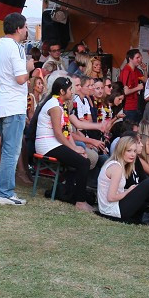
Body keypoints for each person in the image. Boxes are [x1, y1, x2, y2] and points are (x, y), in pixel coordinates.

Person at [0, 12, 35, 205]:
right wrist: (30, 67)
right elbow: (20, 78)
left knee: (8, 149)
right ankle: (5, 193)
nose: (26, 31)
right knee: (11, 150)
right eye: (25, 27)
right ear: (18, 28)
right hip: (12, 104)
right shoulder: (16, 47)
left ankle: (4, 191)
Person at [34, 77, 95, 212]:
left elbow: (65, 132)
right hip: (47, 145)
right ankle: (80, 201)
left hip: (53, 143)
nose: (72, 92)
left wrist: (76, 148)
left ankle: (69, 192)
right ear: (62, 91)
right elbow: (58, 133)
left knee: (83, 158)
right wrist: (73, 148)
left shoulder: (59, 104)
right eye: (70, 89)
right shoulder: (54, 106)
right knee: (83, 163)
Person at [118, 48, 145, 122]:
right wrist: (137, 88)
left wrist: (145, 70)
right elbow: (125, 92)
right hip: (128, 106)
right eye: (137, 58)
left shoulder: (136, 70)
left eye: (140, 57)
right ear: (130, 58)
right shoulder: (126, 71)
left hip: (136, 105)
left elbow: (145, 80)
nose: (140, 59)